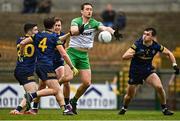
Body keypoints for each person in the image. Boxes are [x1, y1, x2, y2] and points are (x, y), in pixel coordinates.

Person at [62, 2, 122, 114]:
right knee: (67, 78)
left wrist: (114, 32)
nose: (89, 11)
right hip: (72, 53)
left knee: (87, 83)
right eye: (87, 9)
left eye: (91, 9)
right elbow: (73, 31)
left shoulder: (94, 22)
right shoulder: (76, 21)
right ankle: (56, 83)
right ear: (82, 11)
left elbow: (105, 27)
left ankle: (73, 101)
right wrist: (79, 30)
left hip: (84, 55)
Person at [20, 17, 78, 115]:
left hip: (38, 65)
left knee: (56, 89)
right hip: (47, 65)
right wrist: (72, 66)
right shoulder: (54, 38)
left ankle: (65, 109)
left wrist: (22, 55)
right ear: (52, 26)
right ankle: (31, 95)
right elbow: (64, 54)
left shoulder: (37, 35)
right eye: (56, 25)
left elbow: (22, 43)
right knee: (55, 89)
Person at [118, 27, 179, 115]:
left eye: (147, 34)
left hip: (147, 71)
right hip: (135, 72)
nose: (144, 36)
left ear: (152, 37)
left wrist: (174, 65)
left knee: (159, 87)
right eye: (144, 34)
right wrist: (135, 53)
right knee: (129, 96)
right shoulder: (137, 44)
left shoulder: (156, 46)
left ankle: (164, 109)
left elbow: (169, 53)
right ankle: (124, 108)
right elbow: (124, 56)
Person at [10, 22, 39, 115]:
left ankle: (25, 109)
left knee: (33, 91)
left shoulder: (19, 39)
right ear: (30, 31)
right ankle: (17, 110)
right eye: (35, 30)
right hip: (25, 70)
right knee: (33, 92)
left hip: (21, 68)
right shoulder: (34, 40)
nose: (37, 32)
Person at [53, 17, 71, 106]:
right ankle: (34, 106)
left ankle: (67, 104)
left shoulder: (63, 35)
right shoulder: (50, 36)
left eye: (59, 25)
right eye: (55, 25)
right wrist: (69, 33)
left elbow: (65, 48)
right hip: (49, 63)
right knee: (41, 85)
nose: (57, 27)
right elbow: (58, 40)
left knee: (67, 82)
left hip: (59, 63)